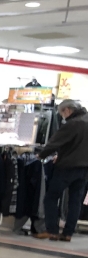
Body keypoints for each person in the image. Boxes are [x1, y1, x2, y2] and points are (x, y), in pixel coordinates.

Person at [36, 99, 88, 242]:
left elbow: (55, 142)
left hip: (67, 167)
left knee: (51, 198)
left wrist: (41, 155)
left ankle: (52, 231)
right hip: (84, 169)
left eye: (61, 113)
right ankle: (68, 234)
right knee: (75, 201)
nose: (62, 117)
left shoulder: (73, 124)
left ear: (67, 110)